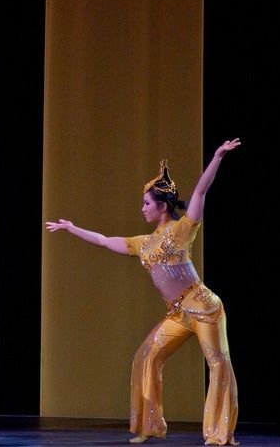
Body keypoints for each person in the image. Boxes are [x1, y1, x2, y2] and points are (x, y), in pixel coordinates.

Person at [45, 139, 241, 445]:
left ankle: (219, 435)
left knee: (218, 364)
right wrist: (72, 228)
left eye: (146, 203)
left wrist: (217, 157)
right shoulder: (143, 243)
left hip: (205, 309)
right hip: (177, 314)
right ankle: (150, 426)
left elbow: (201, 192)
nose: (142, 209)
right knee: (146, 356)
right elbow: (103, 240)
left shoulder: (182, 229)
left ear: (162, 206)